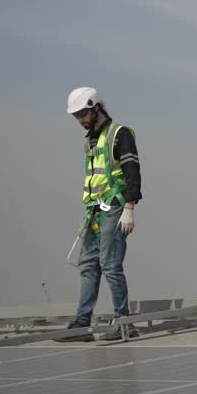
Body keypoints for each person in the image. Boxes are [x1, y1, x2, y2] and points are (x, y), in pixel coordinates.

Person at [65, 86, 141, 332]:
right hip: (94, 210)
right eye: (76, 117)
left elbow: (132, 173)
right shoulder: (90, 140)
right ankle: (82, 323)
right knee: (88, 266)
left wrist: (129, 207)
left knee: (111, 266)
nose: (80, 121)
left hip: (115, 207)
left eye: (82, 115)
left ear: (95, 107)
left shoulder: (119, 134)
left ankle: (123, 323)